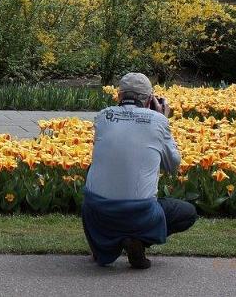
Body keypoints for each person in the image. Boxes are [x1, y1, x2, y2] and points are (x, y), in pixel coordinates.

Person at [81, 72, 197, 269]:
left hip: (96, 211)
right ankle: (138, 241)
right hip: (139, 212)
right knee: (188, 213)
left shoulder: (102, 117)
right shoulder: (158, 120)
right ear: (150, 99)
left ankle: (102, 248)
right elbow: (172, 165)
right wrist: (162, 119)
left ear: (118, 96)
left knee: (95, 178)